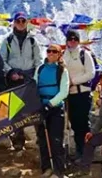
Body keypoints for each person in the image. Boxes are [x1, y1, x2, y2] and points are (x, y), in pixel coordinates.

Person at [0, 12, 42, 151]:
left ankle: (40, 139)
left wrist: (35, 77)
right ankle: (18, 141)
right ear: (14, 23)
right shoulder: (8, 40)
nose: (21, 23)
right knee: (16, 111)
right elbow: (2, 60)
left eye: (23, 21)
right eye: (18, 21)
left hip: (30, 79)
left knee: (35, 109)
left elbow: (38, 60)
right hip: (14, 79)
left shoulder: (33, 41)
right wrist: (10, 72)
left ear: (27, 23)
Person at [35, 44, 70, 178]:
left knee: (56, 139)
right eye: (49, 51)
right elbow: (34, 86)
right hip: (41, 108)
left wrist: (50, 104)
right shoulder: (40, 69)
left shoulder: (62, 70)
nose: (51, 53)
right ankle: (46, 168)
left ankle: (58, 170)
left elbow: (64, 92)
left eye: (54, 51)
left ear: (59, 54)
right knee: (43, 139)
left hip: (55, 109)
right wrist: (37, 104)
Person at [62, 29, 95, 160]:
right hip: (69, 94)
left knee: (84, 123)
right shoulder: (63, 55)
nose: (73, 41)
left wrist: (73, 81)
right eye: (70, 39)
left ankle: (87, 152)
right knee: (74, 124)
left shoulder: (84, 54)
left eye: (75, 39)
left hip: (83, 93)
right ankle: (79, 150)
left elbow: (91, 73)